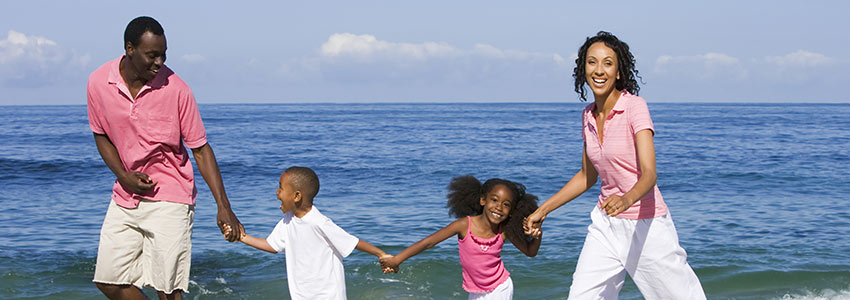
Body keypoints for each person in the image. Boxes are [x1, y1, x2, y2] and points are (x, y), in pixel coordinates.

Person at [523, 31, 706, 299]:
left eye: (608, 63)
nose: (599, 70)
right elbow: (587, 176)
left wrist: (626, 199)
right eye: (592, 62)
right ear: (583, 69)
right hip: (606, 226)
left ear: (619, 72)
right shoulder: (587, 116)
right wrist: (543, 210)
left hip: (646, 226)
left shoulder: (635, 107)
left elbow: (650, 173)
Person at [87, 16, 242, 300]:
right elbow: (101, 134)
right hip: (125, 198)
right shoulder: (99, 82)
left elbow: (201, 149)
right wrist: (123, 176)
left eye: (163, 55)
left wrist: (224, 206)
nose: (159, 63)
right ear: (130, 49)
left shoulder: (177, 90)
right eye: (152, 55)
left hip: (171, 198)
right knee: (108, 280)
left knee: (168, 290)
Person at [223, 166, 391, 300]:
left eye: (280, 188)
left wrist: (381, 254)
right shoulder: (288, 221)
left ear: (297, 196)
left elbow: (352, 242)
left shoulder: (318, 222)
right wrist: (241, 236)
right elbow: (271, 245)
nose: (277, 192)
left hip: (328, 296)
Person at [381, 175, 542, 300]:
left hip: (500, 288)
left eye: (506, 204)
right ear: (482, 200)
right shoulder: (464, 226)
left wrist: (537, 234)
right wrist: (397, 260)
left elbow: (530, 252)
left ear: (512, 211)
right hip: (476, 292)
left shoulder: (504, 230)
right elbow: (429, 242)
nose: (499, 207)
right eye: (494, 200)